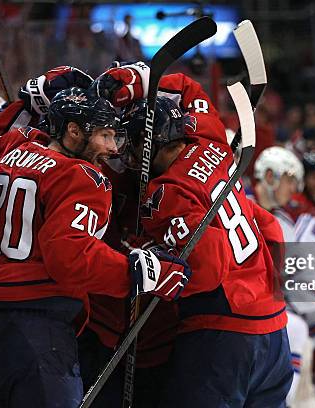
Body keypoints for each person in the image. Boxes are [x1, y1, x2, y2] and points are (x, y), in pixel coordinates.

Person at [0, 86, 191, 407]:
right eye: (104, 135)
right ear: (73, 131)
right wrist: (138, 272)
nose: (112, 148)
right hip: (36, 330)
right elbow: (68, 257)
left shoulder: (15, 149)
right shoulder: (83, 176)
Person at [95, 68, 293, 407]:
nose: (126, 155)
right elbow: (271, 229)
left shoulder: (166, 192)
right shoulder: (215, 143)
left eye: (134, 144)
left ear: (153, 142)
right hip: (275, 331)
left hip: (223, 335)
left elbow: (208, 262)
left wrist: (155, 263)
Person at [254, 146, 315, 408]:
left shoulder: (285, 221)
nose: (293, 188)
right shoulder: (269, 215)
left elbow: (309, 293)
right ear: (269, 176)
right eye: (289, 179)